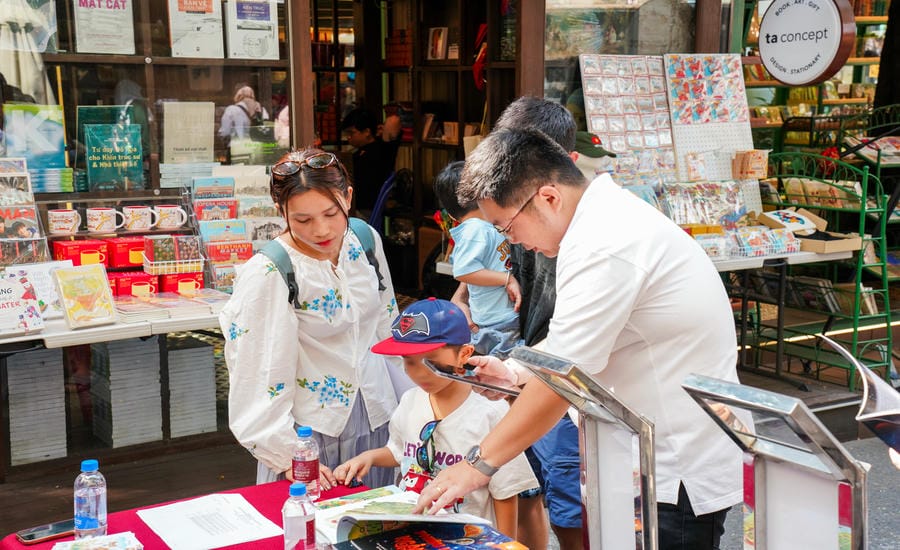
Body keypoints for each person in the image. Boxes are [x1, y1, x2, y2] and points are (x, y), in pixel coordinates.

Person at [414, 127, 745, 550]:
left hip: (669, 464)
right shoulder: (597, 226)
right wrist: (515, 371)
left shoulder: (603, 244)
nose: (513, 243)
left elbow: (565, 380)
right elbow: (571, 341)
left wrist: (478, 464)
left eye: (507, 227)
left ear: (548, 197)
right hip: (637, 451)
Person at [220, 147, 409, 489]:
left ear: (348, 198)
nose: (321, 230)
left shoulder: (365, 241)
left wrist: (415, 408)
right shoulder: (269, 271)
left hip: (379, 413)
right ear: (281, 212)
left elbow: (387, 324)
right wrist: (286, 451)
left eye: (331, 213)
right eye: (303, 220)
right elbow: (256, 372)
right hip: (310, 433)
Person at [451, 96, 584, 550]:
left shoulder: (584, 233)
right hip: (532, 356)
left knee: (568, 497)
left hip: (562, 378)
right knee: (531, 484)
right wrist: (463, 296)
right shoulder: (524, 209)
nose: (510, 234)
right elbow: (492, 267)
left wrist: (476, 464)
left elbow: (570, 353)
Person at [333, 298, 538, 539]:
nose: (417, 372)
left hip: (469, 538)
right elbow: (401, 451)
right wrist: (370, 457)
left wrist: (504, 543)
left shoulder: (491, 411)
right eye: (409, 362)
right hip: (411, 532)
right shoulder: (410, 400)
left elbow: (506, 492)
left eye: (429, 361)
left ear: (464, 354)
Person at [433, 161, 522, 358]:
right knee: (506, 366)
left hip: (496, 315)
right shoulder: (476, 229)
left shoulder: (481, 227)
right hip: (497, 317)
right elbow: (464, 271)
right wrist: (507, 279)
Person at [340, 108, 399, 218]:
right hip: (358, 206)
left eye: (351, 133)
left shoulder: (380, 151)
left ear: (367, 132)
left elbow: (394, 122)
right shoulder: (360, 153)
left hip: (364, 210)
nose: (348, 137)